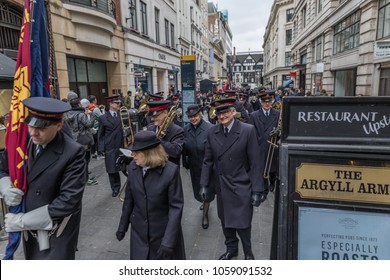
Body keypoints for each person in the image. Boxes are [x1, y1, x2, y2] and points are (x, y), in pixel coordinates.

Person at [0, 97, 86, 259]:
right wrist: (5, 186)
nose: (33, 132)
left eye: (41, 127)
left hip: (55, 233)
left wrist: (23, 221)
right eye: (31, 124)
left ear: (59, 125)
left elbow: (68, 201)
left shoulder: (73, 152)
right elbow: (3, 166)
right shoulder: (23, 140)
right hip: (30, 234)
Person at [200, 97, 267, 260]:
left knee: (243, 223)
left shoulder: (247, 130)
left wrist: (257, 189)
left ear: (233, 112)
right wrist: (204, 184)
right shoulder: (212, 132)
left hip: (241, 185)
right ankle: (232, 249)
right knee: (225, 221)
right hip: (222, 185)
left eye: (226, 112)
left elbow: (255, 163)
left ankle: (248, 253)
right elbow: (207, 160)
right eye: (219, 113)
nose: (222, 117)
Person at [116, 130, 185, 260]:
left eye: (136, 152)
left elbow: (176, 207)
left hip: (162, 234)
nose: (132, 155)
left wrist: (168, 241)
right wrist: (122, 226)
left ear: (149, 153)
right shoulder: (133, 167)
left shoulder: (170, 171)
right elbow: (129, 200)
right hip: (139, 234)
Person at [182, 104, 215, 229]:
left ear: (200, 114)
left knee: (207, 190)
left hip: (207, 167)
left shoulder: (210, 128)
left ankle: (205, 215)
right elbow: (184, 148)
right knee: (198, 190)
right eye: (190, 117)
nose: (193, 119)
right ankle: (204, 202)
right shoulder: (186, 129)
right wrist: (185, 162)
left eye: (195, 116)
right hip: (194, 166)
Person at [249, 90, 280, 192]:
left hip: (273, 146)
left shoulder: (277, 114)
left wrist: (278, 132)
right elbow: (251, 131)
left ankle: (272, 182)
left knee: (273, 168)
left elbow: (282, 129)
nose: (267, 104)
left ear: (272, 102)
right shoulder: (254, 115)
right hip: (260, 146)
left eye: (269, 101)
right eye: (264, 102)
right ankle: (265, 187)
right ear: (261, 102)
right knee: (262, 168)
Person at [64, 92, 97, 186]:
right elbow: (89, 124)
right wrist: (92, 114)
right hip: (83, 139)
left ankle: (80, 177)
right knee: (85, 160)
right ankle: (85, 178)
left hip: (72, 139)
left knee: (77, 160)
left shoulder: (66, 114)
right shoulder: (80, 114)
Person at [98, 95, 124, 197]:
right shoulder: (103, 118)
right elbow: (100, 135)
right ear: (111, 104)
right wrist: (101, 149)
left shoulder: (122, 115)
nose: (119, 104)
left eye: (119, 103)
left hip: (121, 146)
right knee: (112, 170)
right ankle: (115, 188)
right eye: (116, 103)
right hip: (110, 147)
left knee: (127, 168)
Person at [147, 100, 184, 166]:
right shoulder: (150, 128)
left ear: (165, 113)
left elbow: (176, 151)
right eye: (152, 116)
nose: (152, 119)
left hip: (169, 172)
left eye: (156, 116)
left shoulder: (177, 130)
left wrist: (158, 140)